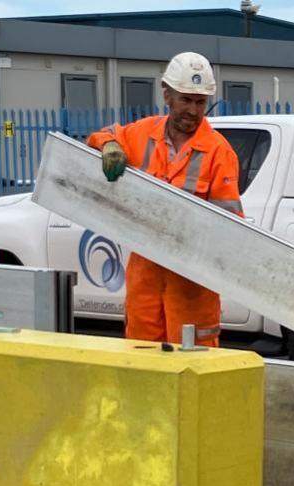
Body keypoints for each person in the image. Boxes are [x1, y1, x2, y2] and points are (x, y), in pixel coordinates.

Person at [87, 52, 243, 347]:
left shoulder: (219, 152)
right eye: (185, 100)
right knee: (143, 366)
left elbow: (229, 230)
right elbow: (102, 134)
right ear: (167, 94)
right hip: (146, 278)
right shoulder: (142, 134)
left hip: (193, 288)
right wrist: (109, 145)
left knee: (196, 374)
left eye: (200, 102)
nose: (193, 111)